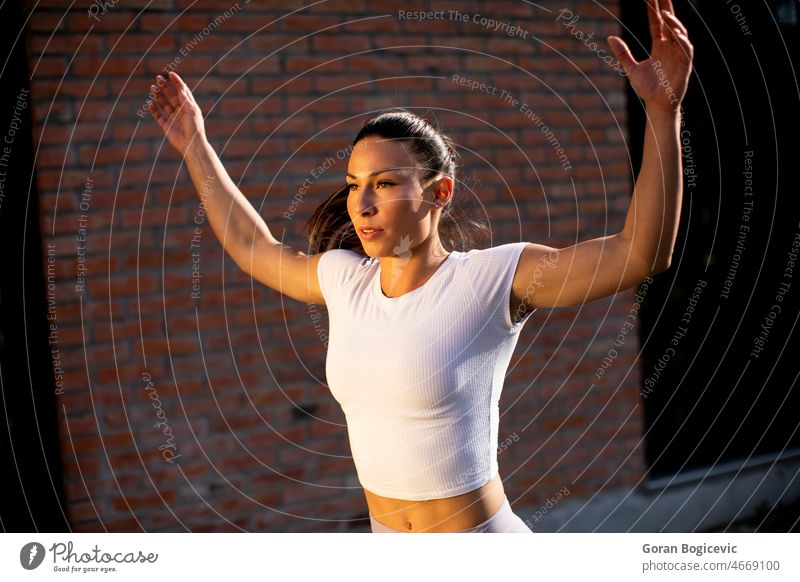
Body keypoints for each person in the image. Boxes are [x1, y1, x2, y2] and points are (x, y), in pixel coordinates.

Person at [147, 0, 692, 533]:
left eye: (384, 184)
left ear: (439, 194)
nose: (361, 205)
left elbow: (640, 253)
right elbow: (251, 245)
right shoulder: (344, 280)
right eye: (355, 185)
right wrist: (195, 144)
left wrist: (664, 111)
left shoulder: (492, 280)